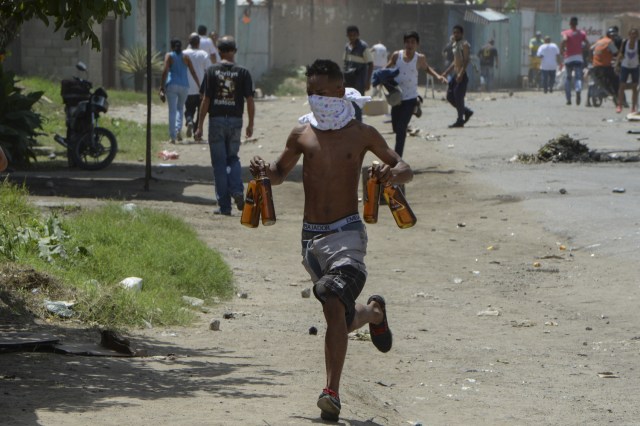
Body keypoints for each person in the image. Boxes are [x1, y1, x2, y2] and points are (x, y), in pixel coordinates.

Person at [248, 59, 412, 422]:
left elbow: (404, 168)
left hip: (348, 233)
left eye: (321, 92)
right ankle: (373, 313)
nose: (315, 99)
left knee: (331, 297)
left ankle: (331, 393)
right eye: (310, 93)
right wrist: (263, 171)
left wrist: (389, 172)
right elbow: (277, 173)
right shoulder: (301, 134)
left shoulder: (362, 133)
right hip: (311, 240)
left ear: (339, 91)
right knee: (336, 311)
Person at [195, 36, 255, 216]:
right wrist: (251, 124)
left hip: (217, 120)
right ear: (234, 51)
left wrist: (199, 126)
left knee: (219, 164)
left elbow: (205, 100)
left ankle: (224, 206)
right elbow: (250, 100)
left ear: (219, 51)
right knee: (233, 158)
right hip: (236, 121)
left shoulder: (211, 71)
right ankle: (237, 189)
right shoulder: (243, 72)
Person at [386, 31, 447, 157]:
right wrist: (380, 76)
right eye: (407, 42)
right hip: (397, 97)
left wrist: (438, 76)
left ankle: (398, 159)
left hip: (410, 98)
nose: (410, 44)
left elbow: (426, 68)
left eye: (413, 42)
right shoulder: (396, 56)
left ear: (417, 44)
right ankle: (416, 108)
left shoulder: (419, 58)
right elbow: (386, 69)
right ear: (404, 43)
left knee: (402, 129)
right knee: (396, 128)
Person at [160, 38, 200, 144]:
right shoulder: (186, 57)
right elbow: (193, 72)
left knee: (172, 110)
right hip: (184, 86)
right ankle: (178, 130)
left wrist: (162, 87)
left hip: (172, 85)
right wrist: (199, 85)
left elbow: (165, 72)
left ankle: (172, 136)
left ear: (172, 46)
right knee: (180, 109)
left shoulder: (169, 56)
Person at [443, 25, 474, 128]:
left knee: (458, 97)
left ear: (462, 34)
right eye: (454, 32)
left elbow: (466, 60)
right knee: (449, 96)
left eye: (457, 33)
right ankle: (466, 111)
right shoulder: (455, 44)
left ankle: (460, 120)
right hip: (455, 74)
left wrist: (461, 73)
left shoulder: (464, 45)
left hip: (462, 74)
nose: (455, 34)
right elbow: (455, 60)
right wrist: (447, 71)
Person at [183, 33, 212, 139]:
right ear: (198, 43)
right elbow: (209, 71)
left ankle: (189, 120)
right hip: (201, 89)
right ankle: (197, 132)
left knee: (189, 109)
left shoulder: (183, 53)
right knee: (201, 112)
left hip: (187, 88)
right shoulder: (203, 54)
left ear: (189, 43)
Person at [343, 25, 373, 121]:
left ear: (358, 35)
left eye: (354, 35)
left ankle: (359, 128)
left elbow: (371, 64)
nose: (352, 37)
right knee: (348, 105)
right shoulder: (347, 47)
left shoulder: (363, 47)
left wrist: (368, 81)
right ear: (347, 35)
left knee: (358, 106)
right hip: (349, 81)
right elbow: (345, 63)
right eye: (350, 35)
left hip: (359, 81)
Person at [560, 17, 588, 105]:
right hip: (578, 58)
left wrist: (562, 49)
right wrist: (586, 52)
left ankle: (568, 99)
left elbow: (564, 40)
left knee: (568, 78)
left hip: (569, 58)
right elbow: (587, 43)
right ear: (577, 24)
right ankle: (578, 90)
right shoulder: (582, 33)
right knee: (578, 77)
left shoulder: (566, 32)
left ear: (570, 23)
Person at [590, 28, 619, 107]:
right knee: (616, 80)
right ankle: (615, 96)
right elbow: (616, 53)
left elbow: (591, 49)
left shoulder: (599, 41)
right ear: (609, 35)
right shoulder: (609, 42)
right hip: (604, 67)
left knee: (596, 80)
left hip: (595, 66)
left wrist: (592, 59)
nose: (613, 37)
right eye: (612, 35)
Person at [616, 28, 639, 114]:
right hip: (625, 66)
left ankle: (633, 107)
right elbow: (621, 53)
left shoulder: (638, 44)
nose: (633, 36)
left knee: (634, 87)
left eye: (635, 34)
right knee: (622, 86)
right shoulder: (625, 42)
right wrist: (617, 64)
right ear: (629, 35)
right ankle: (619, 105)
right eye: (632, 34)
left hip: (635, 67)